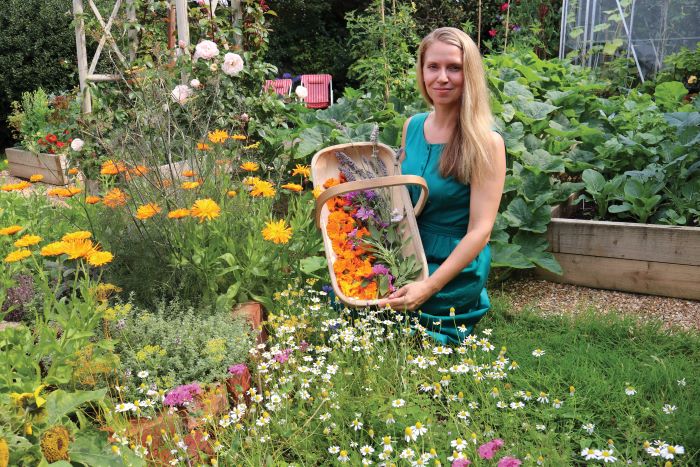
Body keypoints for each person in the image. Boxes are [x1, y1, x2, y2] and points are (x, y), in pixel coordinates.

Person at [377, 27, 506, 345]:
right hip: (407, 250)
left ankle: (447, 307)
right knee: (357, 293)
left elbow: (480, 232)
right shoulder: (413, 126)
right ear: (422, 71)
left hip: (452, 262)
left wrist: (428, 286)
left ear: (470, 73)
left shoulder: (486, 143)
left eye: (454, 68)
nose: (442, 77)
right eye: (433, 66)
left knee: (411, 322)